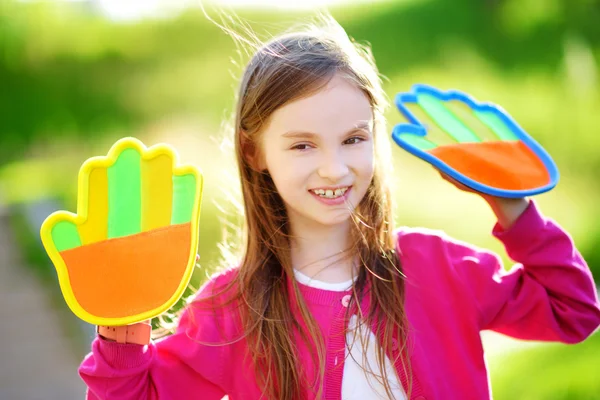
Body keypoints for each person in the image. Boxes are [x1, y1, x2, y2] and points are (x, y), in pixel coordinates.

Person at [79, 15, 600, 400]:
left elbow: (573, 311)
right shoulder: (232, 311)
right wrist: (121, 325)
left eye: (353, 139)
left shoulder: (437, 268)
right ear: (253, 151)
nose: (335, 168)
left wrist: (513, 209)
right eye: (303, 145)